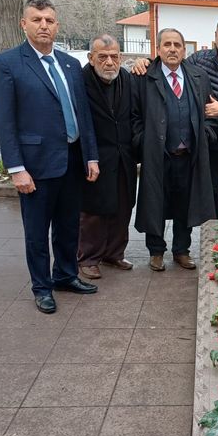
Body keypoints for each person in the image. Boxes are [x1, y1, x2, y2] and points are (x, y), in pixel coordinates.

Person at [0, 0, 100, 314]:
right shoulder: (8, 64)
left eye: (49, 20)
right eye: (36, 20)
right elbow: (4, 122)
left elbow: (83, 115)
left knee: (68, 227)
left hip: (72, 161)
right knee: (37, 231)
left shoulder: (70, 64)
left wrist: (90, 156)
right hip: (35, 167)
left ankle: (65, 275)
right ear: (24, 24)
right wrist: (15, 168)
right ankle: (42, 287)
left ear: (57, 25)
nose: (43, 26)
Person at [133, 13, 218, 219]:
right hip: (208, 145)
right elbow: (171, 63)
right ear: (216, 35)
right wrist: (146, 62)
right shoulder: (199, 60)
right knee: (212, 193)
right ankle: (215, 241)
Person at [130, 28, 216, 272]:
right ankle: (156, 251)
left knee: (184, 204)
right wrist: (143, 140)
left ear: (184, 49)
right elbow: (134, 115)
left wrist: (206, 133)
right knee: (155, 203)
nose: (172, 49)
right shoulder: (144, 76)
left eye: (177, 45)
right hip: (158, 154)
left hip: (189, 155)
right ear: (158, 48)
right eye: (167, 44)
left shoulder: (198, 76)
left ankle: (182, 250)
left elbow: (210, 111)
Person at [77, 34, 137, 279]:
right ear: (92, 58)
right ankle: (88, 258)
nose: (109, 62)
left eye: (114, 57)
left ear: (121, 57)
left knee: (123, 206)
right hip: (94, 156)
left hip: (124, 156)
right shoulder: (80, 80)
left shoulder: (127, 78)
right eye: (103, 57)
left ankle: (114, 253)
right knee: (94, 211)